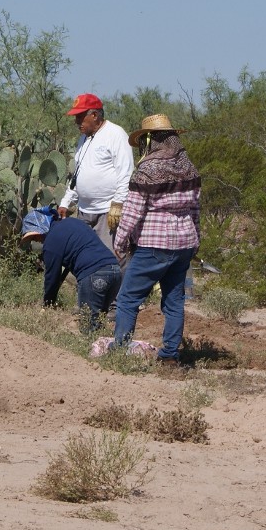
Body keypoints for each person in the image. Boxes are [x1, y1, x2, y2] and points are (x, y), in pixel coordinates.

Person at [110, 114, 201, 365]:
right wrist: (196, 239)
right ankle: (170, 356)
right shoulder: (189, 167)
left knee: (128, 299)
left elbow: (133, 212)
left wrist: (120, 241)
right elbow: (195, 209)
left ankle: (119, 353)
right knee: (174, 301)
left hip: (153, 243)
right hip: (184, 243)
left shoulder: (147, 169)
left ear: (150, 139)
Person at [20, 207, 124, 333]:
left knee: (88, 326)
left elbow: (52, 277)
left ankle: (89, 348)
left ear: (41, 228)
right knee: (99, 321)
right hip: (115, 271)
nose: (36, 240)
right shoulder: (72, 223)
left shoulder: (51, 243)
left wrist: (48, 302)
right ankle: (104, 348)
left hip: (94, 275)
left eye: (34, 236)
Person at [57, 93, 134, 257]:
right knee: (87, 258)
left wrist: (118, 204)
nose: (77, 122)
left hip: (107, 211)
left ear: (94, 115)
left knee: (113, 259)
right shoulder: (83, 139)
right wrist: (66, 201)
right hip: (84, 211)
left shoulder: (116, 134)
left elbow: (125, 172)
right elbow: (77, 175)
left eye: (80, 117)